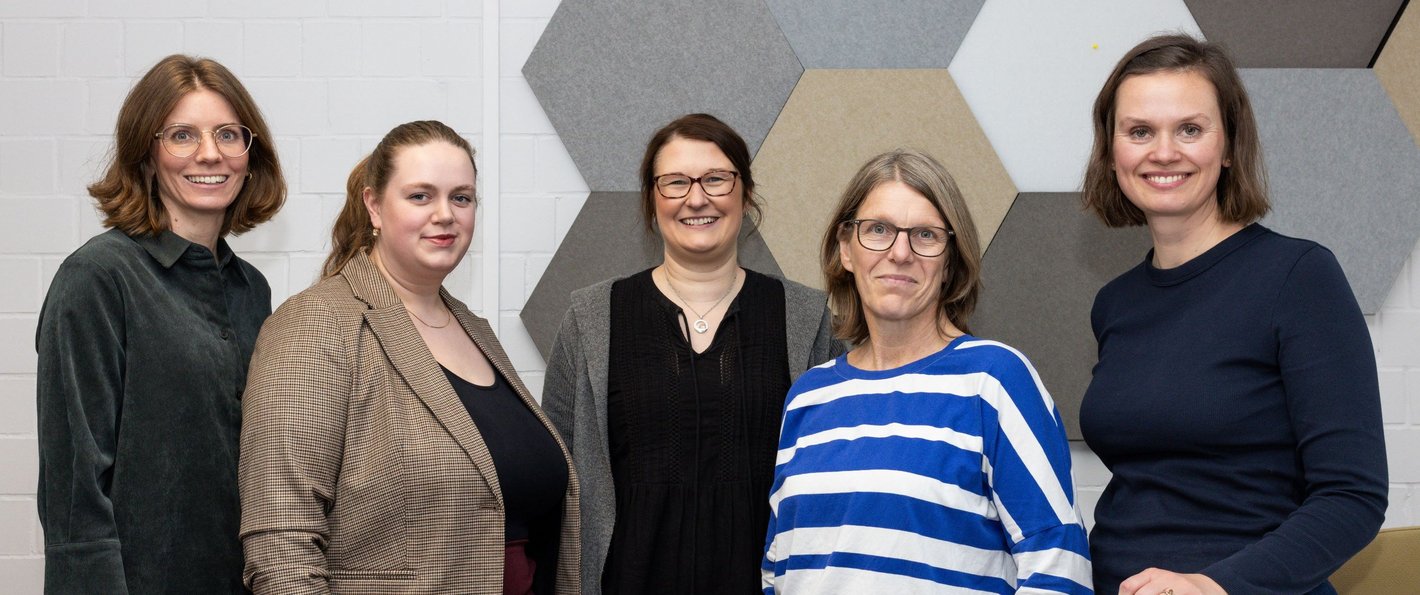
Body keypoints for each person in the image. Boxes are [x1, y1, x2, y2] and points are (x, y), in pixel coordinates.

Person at [1079, 34, 1388, 595]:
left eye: (1190, 129)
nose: (1164, 151)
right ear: (1112, 150)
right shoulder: (1115, 304)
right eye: (1140, 131)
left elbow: (1352, 497)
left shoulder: (1299, 276)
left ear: (1227, 147)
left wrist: (1213, 586)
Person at [238, 120, 579, 594]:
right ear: (374, 206)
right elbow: (280, 538)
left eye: (461, 198)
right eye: (421, 196)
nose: (445, 214)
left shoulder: (473, 329)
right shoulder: (317, 324)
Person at [761, 149, 1092, 594]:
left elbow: (1059, 565)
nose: (900, 253)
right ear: (845, 248)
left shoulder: (993, 381)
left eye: (925, 234)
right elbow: (777, 570)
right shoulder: (807, 398)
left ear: (950, 260)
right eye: (878, 229)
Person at [541, 113, 842, 594]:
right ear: (651, 199)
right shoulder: (591, 318)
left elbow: (836, 473)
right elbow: (557, 475)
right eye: (675, 182)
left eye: (716, 179)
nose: (696, 198)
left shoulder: (805, 318)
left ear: (744, 194)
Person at [35, 54, 285, 594]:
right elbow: (75, 486)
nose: (210, 153)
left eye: (227, 133)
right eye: (181, 135)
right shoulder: (98, 278)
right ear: (145, 156)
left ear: (250, 151)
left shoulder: (251, 290)